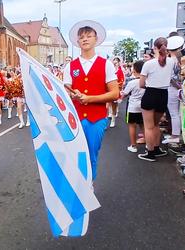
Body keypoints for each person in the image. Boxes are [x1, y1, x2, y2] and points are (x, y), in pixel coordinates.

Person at [63, 20, 119, 180]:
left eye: (89, 36)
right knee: (75, 153)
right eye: (81, 37)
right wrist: (72, 95)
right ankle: (77, 183)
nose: (85, 39)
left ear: (96, 39)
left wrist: (90, 98)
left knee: (92, 153)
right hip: (75, 118)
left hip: (97, 118)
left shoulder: (106, 64)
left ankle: (89, 185)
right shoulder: (70, 66)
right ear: (77, 41)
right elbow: (66, 91)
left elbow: (115, 93)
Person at [138, 37, 174, 161]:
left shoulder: (148, 64)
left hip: (150, 94)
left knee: (148, 126)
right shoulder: (171, 62)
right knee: (156, 124)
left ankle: (150, 153)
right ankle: (157, 149)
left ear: (154, 48)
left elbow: (141, 84)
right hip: (164, 94)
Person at [162, 35, 185, 144]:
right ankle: (178, 134)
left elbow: (170, 78)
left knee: (174, 113)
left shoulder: (170, 61)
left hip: (173, 89)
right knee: (179, 113)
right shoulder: (182, 60)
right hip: (182, 88)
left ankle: (175, 135)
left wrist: (178, 87)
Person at [122, 60, 145, 153]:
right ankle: (148, 144)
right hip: (143, 107)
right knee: (143, 126)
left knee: (132, 126)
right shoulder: (147, 81)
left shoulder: (132, 83)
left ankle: (133, 145)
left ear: (135, 70)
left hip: (133, 107)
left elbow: (124, 94)